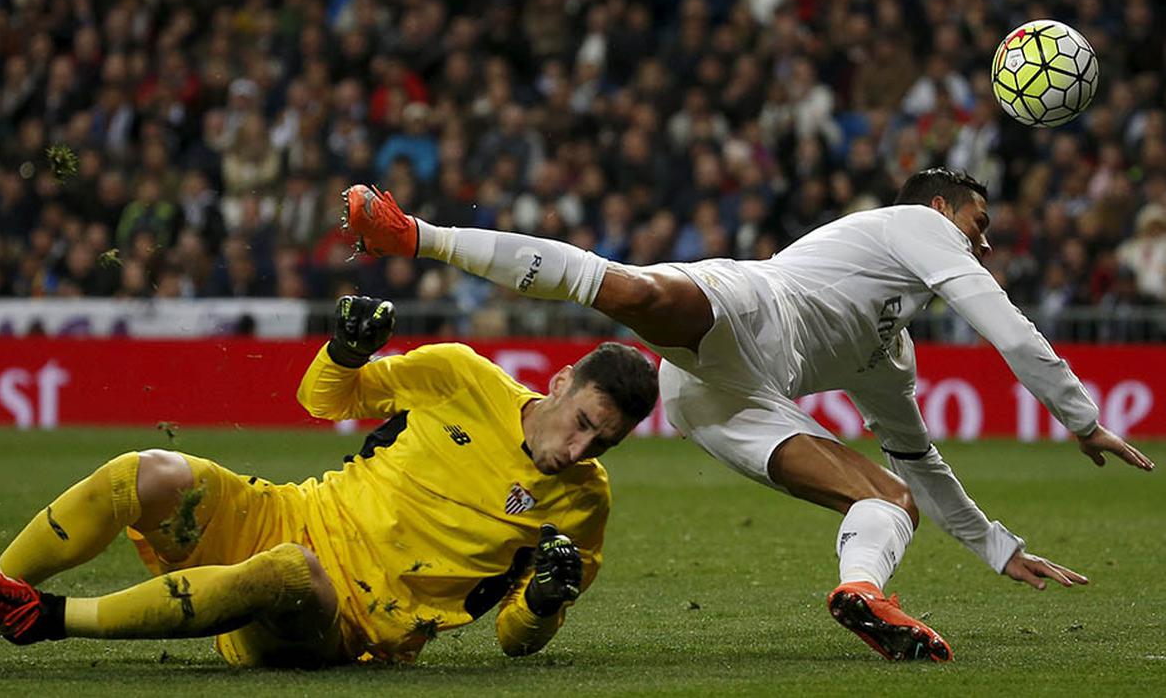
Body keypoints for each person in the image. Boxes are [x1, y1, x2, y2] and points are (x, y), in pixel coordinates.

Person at [337, 168, 1156, 662]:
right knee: (632, 290)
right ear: (941, 210)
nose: (982, 245)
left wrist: (996, 547)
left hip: (725, 401)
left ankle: (861, 592)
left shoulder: (888, 351)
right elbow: (999, 318)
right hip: (751, 305)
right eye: (977, 226)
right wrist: (1078, 415)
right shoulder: (913, 223)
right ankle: (414, 235)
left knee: (889, 499)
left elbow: (917, 458)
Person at [0, 297, 659, 666]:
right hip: (292, 514)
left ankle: (44, 618)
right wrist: (344, 351)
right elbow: (324, 400)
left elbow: (514, 639)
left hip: (348, 621)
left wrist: (542, 603)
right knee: (145, 473)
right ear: (560, 382)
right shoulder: (461, 376)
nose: (581, 448)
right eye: (583, 422)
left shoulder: (583, 502)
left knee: (286, 571)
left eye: (605, 441)